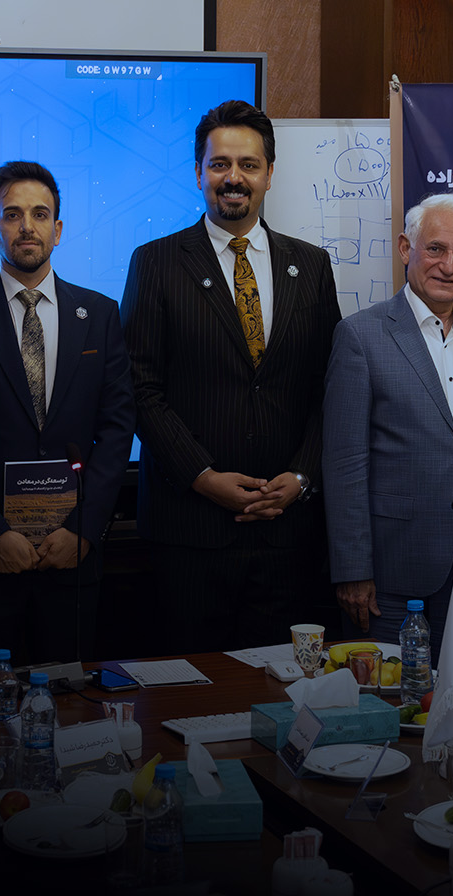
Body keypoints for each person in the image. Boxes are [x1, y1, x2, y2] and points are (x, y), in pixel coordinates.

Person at [120, 100, 342, 653]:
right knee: (189, 689)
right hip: (188, 532)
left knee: (282, 690)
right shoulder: (156, 263)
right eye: (219, 164)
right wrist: (203, 476)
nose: (233, 178)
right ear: (198, 172)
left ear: (269, 173)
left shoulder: (312, 266)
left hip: (287, 534)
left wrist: (302, 477)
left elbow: (331, 387)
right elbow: (140, 388)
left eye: (248, 164)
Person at [0, 161, 134, 669]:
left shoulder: (99, 314)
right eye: (12, 215)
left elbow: (117, 427)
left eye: (39, 214)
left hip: (71, 557)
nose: (26, 227)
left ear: (57, 229)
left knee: (71, 702)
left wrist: (84, 529)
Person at [323, 193, 453, 646]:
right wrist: (352, 569)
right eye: (435, 249)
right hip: (391, 575)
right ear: (405, 248)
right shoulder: (360, 336)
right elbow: (345, 464)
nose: (448, 266)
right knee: (390, 690)